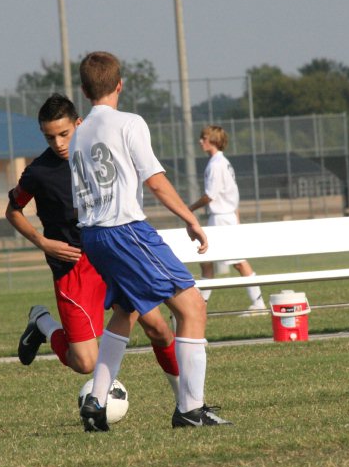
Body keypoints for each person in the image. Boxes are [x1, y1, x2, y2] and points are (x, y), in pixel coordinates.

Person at [72, 51, 231, 431]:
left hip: (93, 235)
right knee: (191, 307)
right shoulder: (129, 123)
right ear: (120, 84)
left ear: (84, 89)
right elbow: (155, 180)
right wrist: (191, 219)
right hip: (125, 230)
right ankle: (191, 409)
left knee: (125, 311)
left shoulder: (79, 131)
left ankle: (95, 402)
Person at [6, 93, 180, 402]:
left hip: (111, 255)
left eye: (64, 134)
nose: (58, 143)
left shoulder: (98, 153)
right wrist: (43, 242)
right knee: (84, 362)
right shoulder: (38, 172)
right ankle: (43, 323)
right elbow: (13, 211)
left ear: (79, 124)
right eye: (50, 137)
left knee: (159, 329)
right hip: (72, 267)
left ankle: (186, 402)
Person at [188, 126, 266, 316]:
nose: (200, 141)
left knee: (237, 261)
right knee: (207, 262)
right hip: (225, 216)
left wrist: (187, 209)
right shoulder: (222, 162)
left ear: (213, 140)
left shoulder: (216, 164)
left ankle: (258, 304)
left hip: (222, 218)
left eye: (204, 137)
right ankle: (200, 306)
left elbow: (210, 196)